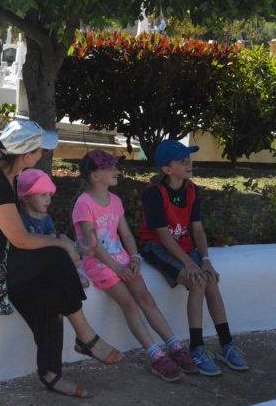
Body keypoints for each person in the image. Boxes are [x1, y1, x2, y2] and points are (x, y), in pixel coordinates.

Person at [0, 119, 123, 399]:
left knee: (50, 297)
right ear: (26, 155)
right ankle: (86, 336)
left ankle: (51, 373)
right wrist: (63, 244)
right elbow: (20, 239)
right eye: (40, 149)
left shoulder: (4, 172)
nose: (43, 154)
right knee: (56, 257)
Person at [72, 150, 198, 382]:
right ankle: (156, 354)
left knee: (146, 299)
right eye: (109, 168)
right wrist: (117, 268)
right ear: (94, 175)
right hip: (99, 264)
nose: (116, 171)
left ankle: (174, 345)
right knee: (129, 304)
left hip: (122, 260)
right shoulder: (84, 204)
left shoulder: (116, 201)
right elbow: (93, 244)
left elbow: (127, 234)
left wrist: (135, 257)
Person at [138, 140, 248, 376]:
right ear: (167, 169)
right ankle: (197, 348)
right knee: (197, 281)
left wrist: (205, 260)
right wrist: (189, 264)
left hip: (183, 246)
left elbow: (197, 228)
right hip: (157, 247)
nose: (189, 164)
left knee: (210, 280)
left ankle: (226, 343)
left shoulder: (192, 190)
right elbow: (163, 236)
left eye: (189, 159)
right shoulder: (154, 195)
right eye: (182, 161)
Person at [17, 168, 89, 288]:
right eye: (43, 195)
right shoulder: (19, 218)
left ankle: (73, 269)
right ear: (26, 197)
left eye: (49, 195)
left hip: (48, 249)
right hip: (33, 258)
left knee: (63, 237)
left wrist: (53, 237)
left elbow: (51, 232)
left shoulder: (46, 217)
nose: (48, 200)